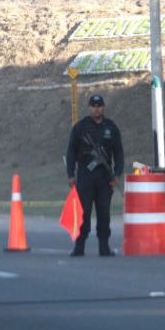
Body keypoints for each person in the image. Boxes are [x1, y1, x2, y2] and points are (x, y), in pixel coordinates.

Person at [65, 94, 125, 257]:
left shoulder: (110, 127)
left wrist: (117, 175)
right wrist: (70, 173)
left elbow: (119, 153)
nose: (96, 109)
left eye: (99, 106)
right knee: (84, 212)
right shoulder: (80, 127)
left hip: (105, 176)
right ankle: (79, 246)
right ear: (89, 108)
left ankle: (104, 247)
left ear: (103, 108)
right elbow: (71, 152)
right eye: (93, 106)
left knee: (104, 212)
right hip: (86, 175)